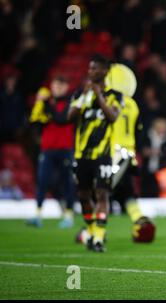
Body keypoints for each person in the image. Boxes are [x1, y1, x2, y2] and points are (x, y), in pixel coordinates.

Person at [67, 55, 121, 253]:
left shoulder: (115, 95)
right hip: (82, 155)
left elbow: (113, 117)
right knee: (83, 195)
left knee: (102, 193)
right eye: (90, 69)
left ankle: (99, 237)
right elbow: (69, 117)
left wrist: (99, 95)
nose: (91, 72)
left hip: (103, 154)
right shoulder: (80, 93)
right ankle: (90, 231)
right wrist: (84, 96)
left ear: (105, 71)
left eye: (95, 69)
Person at [27, 76, 75, 228]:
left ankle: (68, 215)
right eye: (55, 85)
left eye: (61, 85)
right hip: (47, 149)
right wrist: (38, 104)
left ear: (66, 87)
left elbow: (61, 119)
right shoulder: (46, 102)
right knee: (42, 181)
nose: (58, 88)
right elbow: (34, 122)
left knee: (67, 182)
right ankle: (37, 215)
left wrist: (46, 105)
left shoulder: (70, 102)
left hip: (66, 148)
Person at [110, 95, 156, 242]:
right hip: (129, 154)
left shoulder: (107, 100)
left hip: (109, 153)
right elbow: (139, 131)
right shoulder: (132, 104)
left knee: (101, 192)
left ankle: (93, 232)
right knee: (127, 191)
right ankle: (140, 221)